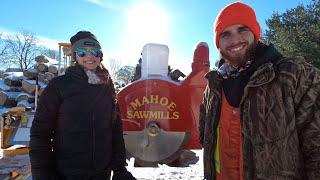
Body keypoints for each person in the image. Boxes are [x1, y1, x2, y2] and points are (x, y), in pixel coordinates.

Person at [199, 2, 320, 180]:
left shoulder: (295, 75)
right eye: (225, 34)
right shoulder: (214, 85)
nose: (234, 40)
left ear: (255, 34)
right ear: (218, 42)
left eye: (242, 29)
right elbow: (205, 135)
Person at [30, 31, 136, 180]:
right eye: (82, 52)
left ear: (100, 55)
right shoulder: (59, 86)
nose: (89, 56)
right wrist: (42, 175)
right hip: (66, 174)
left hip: (101, 174)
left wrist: (119, 168)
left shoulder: (107, 87)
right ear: (75, 56)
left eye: (94, 51)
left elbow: (115, 130)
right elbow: (40, 133)